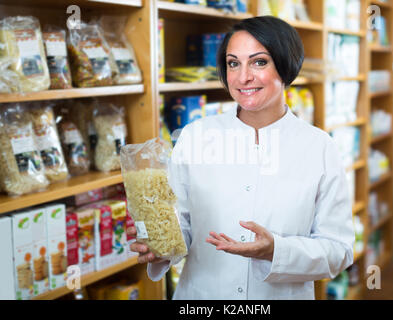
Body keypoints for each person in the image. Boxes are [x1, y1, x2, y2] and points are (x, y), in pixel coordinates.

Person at [127, 16, 355, 300]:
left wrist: (276, 250)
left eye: (259, 62)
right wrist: (160, 248)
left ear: (286, 65)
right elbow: (180, 225)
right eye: (233, 63)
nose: (243, 77)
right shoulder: (195, 136)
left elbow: (339, 250)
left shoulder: (319, 147)